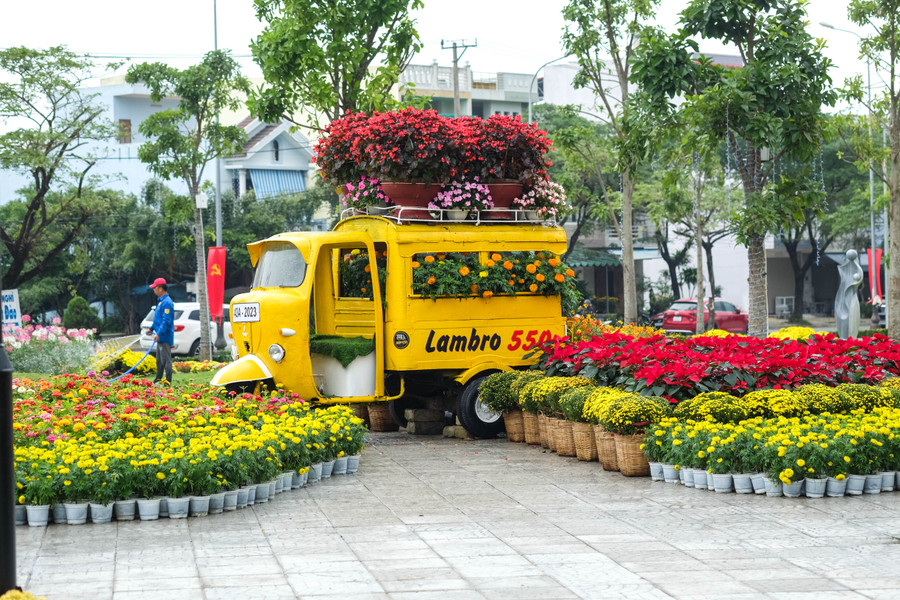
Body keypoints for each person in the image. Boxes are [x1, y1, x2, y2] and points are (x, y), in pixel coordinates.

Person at [147, 277, 175, 384]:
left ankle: (168, 381)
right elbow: (158, 319)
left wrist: (159, 333)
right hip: (160, 336)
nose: (153, 290)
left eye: (154, 288)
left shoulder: (167, 302)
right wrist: (151, 328)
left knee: (166, 360)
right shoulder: (160, 302)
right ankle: (157, 380)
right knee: (159, 360)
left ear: (160, 288)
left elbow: (166, 321)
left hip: (164, 336)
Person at [835, 250, 863, 339]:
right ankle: (844, 337)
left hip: (851, 294)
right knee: (843, 313)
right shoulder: (846, 270)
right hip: (845, 295)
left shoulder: (857, 269)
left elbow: (859, 277)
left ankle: (850, 337)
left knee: (849, 313)